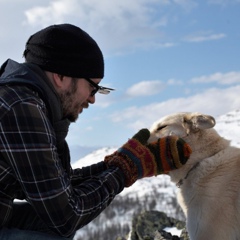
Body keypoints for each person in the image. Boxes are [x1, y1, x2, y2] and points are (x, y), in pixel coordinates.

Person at [0, 23, 192, 240]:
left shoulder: (21, 98)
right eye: (93, 87)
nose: (92, 98)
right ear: (60, 76)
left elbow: (56, 188)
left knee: (47, 225)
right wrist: (126, 170)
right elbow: (67, 215)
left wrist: (114, 164)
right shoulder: (21, 107)